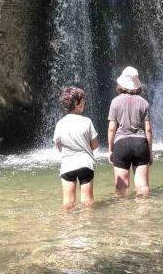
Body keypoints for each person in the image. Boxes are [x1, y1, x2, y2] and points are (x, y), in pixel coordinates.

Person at [107, 66, 153, 197]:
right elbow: (148, 129)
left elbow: (111, 128)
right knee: (143, 185)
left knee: (121, 187)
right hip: (140, 143)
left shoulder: (115, 102)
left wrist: (111, 149)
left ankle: (123, 216)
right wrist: (150, 151)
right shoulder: (144, 103)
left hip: (121, 143)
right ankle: (143, 214)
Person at [53, 86, 99, 210]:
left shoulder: (60, 123)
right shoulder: (87, 121)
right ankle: (87, 224)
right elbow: (95, 145)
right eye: (83, 101)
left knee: (68, 203)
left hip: (68, 164)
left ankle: (68, 226)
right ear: (76, 103)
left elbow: (57, 144)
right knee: (88, 201)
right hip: (85, 163)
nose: (84, 103)